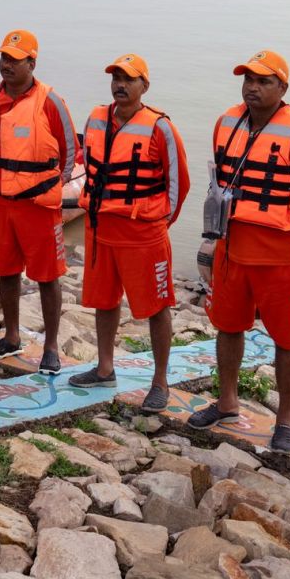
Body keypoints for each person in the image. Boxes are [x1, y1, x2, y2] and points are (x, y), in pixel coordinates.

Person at [190, 50, 290, 453]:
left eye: (264, 81)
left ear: (283, 88)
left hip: (278, 255)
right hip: (231, 248)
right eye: (248, 79)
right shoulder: (226, 122)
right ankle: (226, 401)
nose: (253, 87)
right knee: (227, 327)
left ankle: (286, 419)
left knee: (286, 338)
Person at [70, 54, 190, 413]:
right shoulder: (95, 118)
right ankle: (105, 367)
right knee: (103, 300)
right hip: (100, 227)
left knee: (156, 307)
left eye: (129, 79)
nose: (121, 85)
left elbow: (178, 184)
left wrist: (158, 224)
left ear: (144, 86)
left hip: (142, 233)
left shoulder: (160, 128)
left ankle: (160, 381)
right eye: (116, 78)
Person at [0, 29, 78, 373]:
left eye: (14, 60)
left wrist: (53, 187)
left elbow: (70, 150)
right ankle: (11, 336)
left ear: (32, 62)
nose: (7, 65)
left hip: (38, 206)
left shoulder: (50, 100)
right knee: (6, 271)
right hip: (0, 203)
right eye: (3, 58)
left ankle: (51, 346)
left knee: (47, 276)